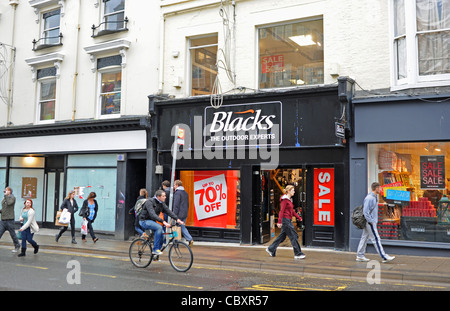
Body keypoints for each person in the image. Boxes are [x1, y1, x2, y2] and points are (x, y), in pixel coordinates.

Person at [356, 182, 395, 263]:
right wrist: (371, 221)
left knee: (364, 238)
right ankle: (384, 256)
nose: (380, 189)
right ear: (376, 188)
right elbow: (365, 211)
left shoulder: (374, 197)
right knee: (376, 239)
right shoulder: (370, 198)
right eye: (379, 188)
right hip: (370, 222)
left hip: (370, 221)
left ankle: (360, 255)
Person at [139, 189, 184, 255]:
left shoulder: (161, 203)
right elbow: (152, 214)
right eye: (163, 196)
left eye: (165, 196)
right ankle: (155, 249)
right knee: (159, 227)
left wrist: (177, 219)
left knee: (162, 236)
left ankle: (156, 254)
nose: (165, 197)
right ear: (158, 197)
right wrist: (163, 222)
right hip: (144, 221)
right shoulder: (149, 202)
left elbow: (168, 211)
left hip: (152, 221)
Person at [266, 185, 305, 259]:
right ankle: (298, 253)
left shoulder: (289, 200)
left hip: (288, 220)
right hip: (285, 220)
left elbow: (292, 211)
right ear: (288, 191)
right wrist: (279, 221)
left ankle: (271, 249)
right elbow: (281, 211)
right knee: (294, 236)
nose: (294, 192)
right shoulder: (284, 200)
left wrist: (299, 217)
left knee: (282, 237)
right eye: (293, 190)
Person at [172, 180, 193, 246]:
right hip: (184, 213)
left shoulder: (177, 193)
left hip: (178, 214)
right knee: (182, 227)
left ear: (177, 185)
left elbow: (176, 205)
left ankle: (176, 242)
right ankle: (190, 239)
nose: (174, 186)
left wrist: (174, 215)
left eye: (174, 185)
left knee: (175, 227)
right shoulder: (185, 193)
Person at [0, 187, 21, 253]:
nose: (5, 191)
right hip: (3, 220)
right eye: (5, 190)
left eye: (6, 190)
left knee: (13, 234)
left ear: (10, 191)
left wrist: (6, 196)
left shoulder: (12, 198)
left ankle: (17, 245)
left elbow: (9, 203)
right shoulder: (5, 198)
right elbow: (4, 208)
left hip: (10, 220)